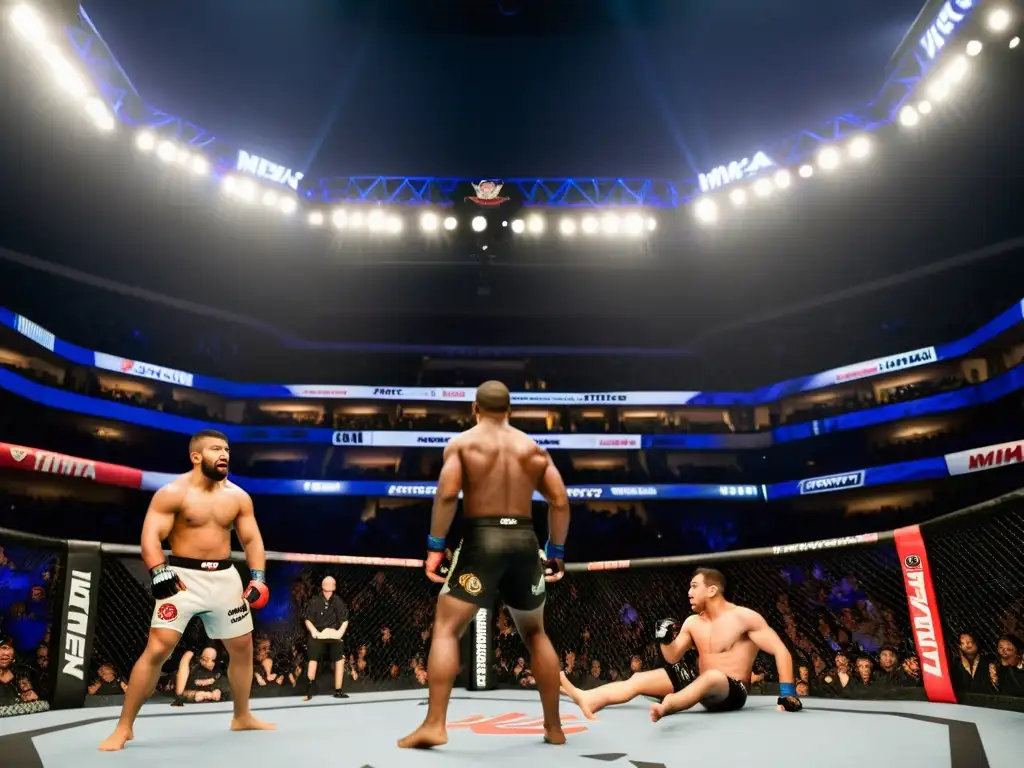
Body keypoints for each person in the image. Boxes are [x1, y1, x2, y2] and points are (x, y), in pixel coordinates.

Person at [398, 380, 571, 749]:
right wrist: (555, 550)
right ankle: (554, 728)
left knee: (446, 627)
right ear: (511, 411)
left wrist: (434, 546)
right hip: (524, 542)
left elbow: (446, 495)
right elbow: (559, 502)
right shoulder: (533, 448)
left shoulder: (462, 444)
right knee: (536, 634)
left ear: (474, 409)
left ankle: (434, 724)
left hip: (483, 539)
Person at [99, 430, 275, 751]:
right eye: (215, 449)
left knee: (243, 647)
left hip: (224, 578)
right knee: (158, 648)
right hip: (182, 577)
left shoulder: (238, 496)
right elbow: (151, 537)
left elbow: (251, 539)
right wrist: (158, 569)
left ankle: (242, 715)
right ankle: (124, 727)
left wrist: (258, 577)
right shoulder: (172, 493)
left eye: (226, 449)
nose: (224, 454)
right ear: (196, 457)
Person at [559, 568, 803, 722]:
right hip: (699, 680)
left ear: (712, 590)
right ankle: (590, 698)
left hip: (732, 691)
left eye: (694, 586)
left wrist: (787, 694)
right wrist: (664, 640)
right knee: (639, 679)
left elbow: (780, 650)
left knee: (712, 677)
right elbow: (673, 657)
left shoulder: (744, 617)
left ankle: (669, 706)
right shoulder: (692, 622)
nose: (688, 592)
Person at [302, 575, 350, 701]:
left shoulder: (338, 601)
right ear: (323, 586)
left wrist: (339, 633)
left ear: (334, 587)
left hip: (333, 635)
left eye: (332, 584)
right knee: (313, 657)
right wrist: (314, 632)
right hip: (319, 634)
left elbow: (345, 620)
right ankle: (310, 689)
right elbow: (307, 619)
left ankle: (338, 690)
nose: (329, 586)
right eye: (327, 584)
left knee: (340, 658)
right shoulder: (315, 601)